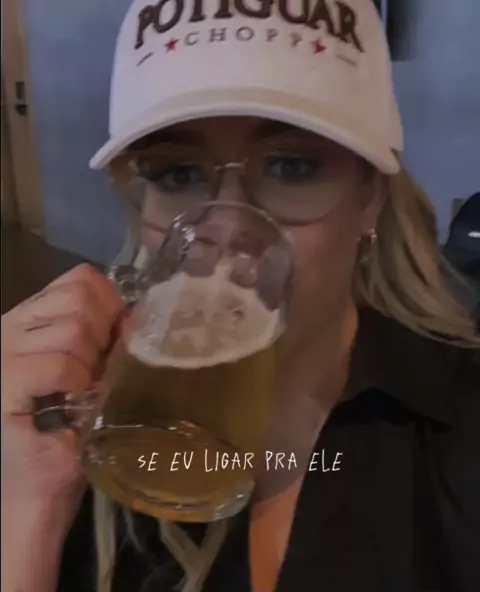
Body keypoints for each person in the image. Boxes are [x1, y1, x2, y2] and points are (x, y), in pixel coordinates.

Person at [2, 1, 480, 591]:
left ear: (371, 199)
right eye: (177, 174)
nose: (226, 230)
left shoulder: (457, 433)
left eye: (291, 166)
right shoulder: (78, 424)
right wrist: (28, 509)